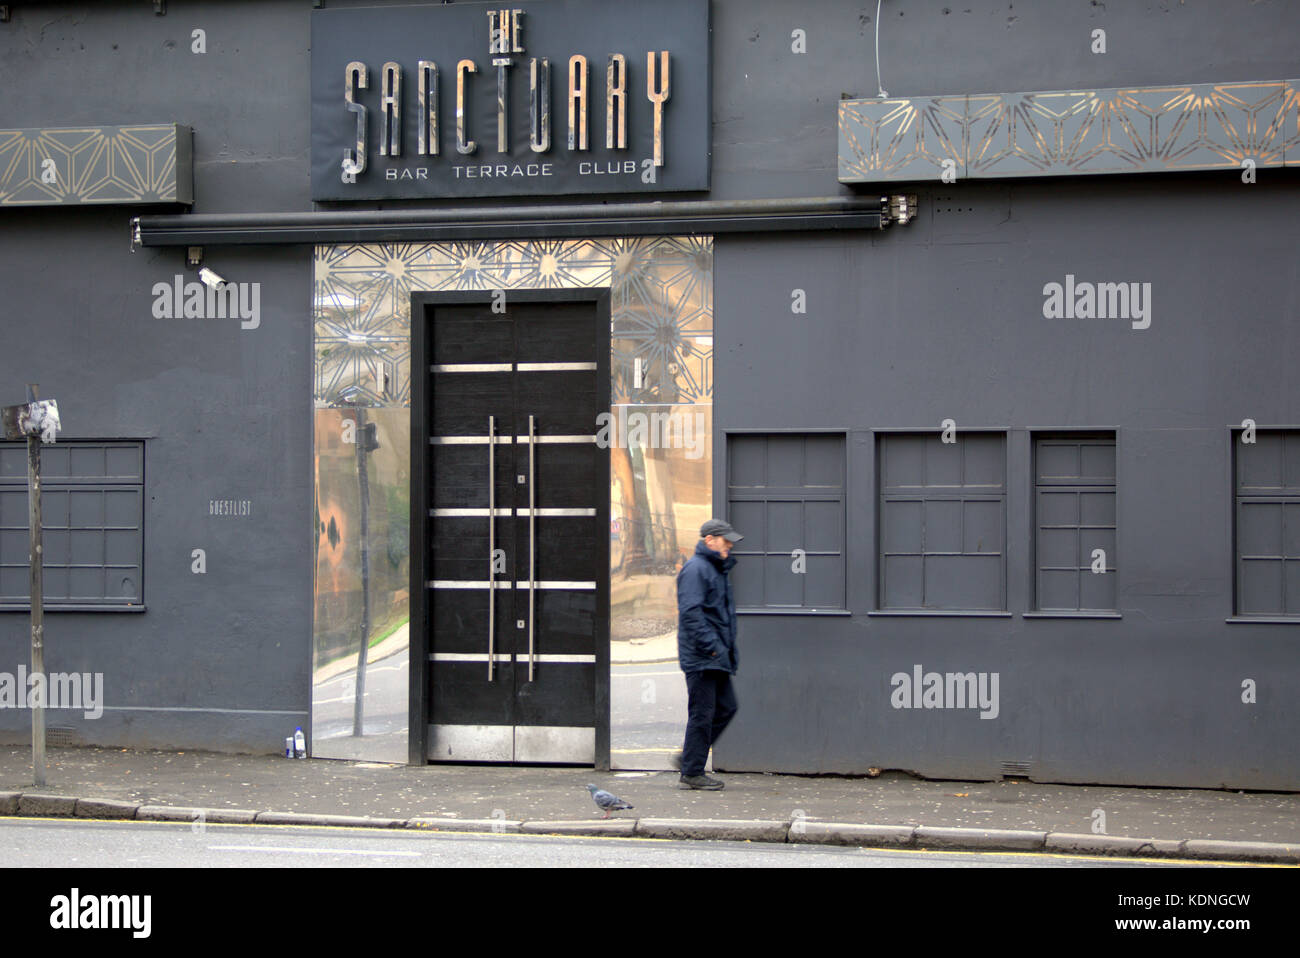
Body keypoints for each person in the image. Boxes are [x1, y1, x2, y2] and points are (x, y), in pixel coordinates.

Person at [672, 518, 742, 790]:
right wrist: (712, 645)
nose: (729, 546)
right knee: (702, 713)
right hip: (703, 656)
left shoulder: (714, 569)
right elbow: (691, 613)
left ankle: (690, 758)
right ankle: (691, 772)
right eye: (726, 541)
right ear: (709, 540)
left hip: (715, 656)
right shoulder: (696, 569)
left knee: (727, 707)